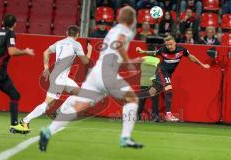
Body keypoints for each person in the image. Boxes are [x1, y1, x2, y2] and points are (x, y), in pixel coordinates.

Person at [39, 6, 144, 152]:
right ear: (132, 20)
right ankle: (125, 137)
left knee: (78, 107)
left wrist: (127, 62)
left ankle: (48, 131)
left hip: (97, 74)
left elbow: (112, 54)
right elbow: (119, 44)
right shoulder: (126, 30)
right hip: (108, 74)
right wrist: (131, 63)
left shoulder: (112, 30)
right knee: (132, 99)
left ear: (119, 17)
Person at [20, 25, 92, 131]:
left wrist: (46, 68)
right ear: (77, 34)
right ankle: (24, 122)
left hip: (60, 76)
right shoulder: (76, 44)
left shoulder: (59, 43)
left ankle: (58, 112)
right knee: (47, 104)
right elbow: (86, 61)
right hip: (59, 78)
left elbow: (46, 52)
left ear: (67, 33)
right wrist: (90, 50)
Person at [136, 35, 210, 121]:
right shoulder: (163, 50)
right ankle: (168, 114)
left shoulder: (182, 50)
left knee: (153, 91)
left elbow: (191, 57)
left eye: (170, 44)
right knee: (169, 89)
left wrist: (202, 64)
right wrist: (142, 51)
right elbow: (153, 52)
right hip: (161, 71)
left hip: (167, 74)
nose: (169, 47)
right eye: (167, 45)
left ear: (175, 43)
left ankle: (136, 98)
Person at [0, 14, 35, 133]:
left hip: (1, 72)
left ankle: (14, 125)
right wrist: (25, 51)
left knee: (15, 95)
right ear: (14, 24)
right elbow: (12, 51)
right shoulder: (10, 34)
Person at [137, 54, 160, 122]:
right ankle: (155, 117)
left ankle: (137, 117)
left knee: (141, 101)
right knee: (155, 101)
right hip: (153, 84)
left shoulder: (142, 59)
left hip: (143, 83)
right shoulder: (157, 60)